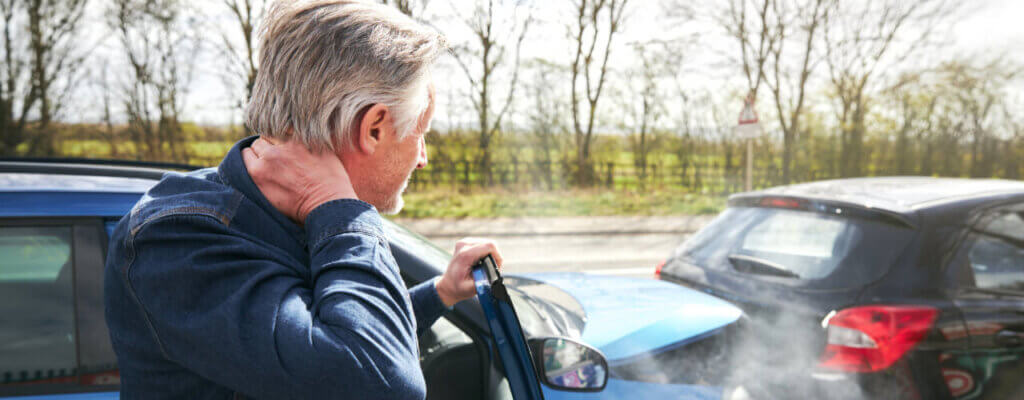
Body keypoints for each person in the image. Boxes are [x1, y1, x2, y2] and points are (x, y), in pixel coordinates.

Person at [103, 1, 501, 398]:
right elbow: (377, 380)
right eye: (420, 132)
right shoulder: (176, 240)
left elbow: (327, 345)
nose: (423, 158)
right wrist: (340, 210)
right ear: (374, 128)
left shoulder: (284, 216)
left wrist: (442, 292)